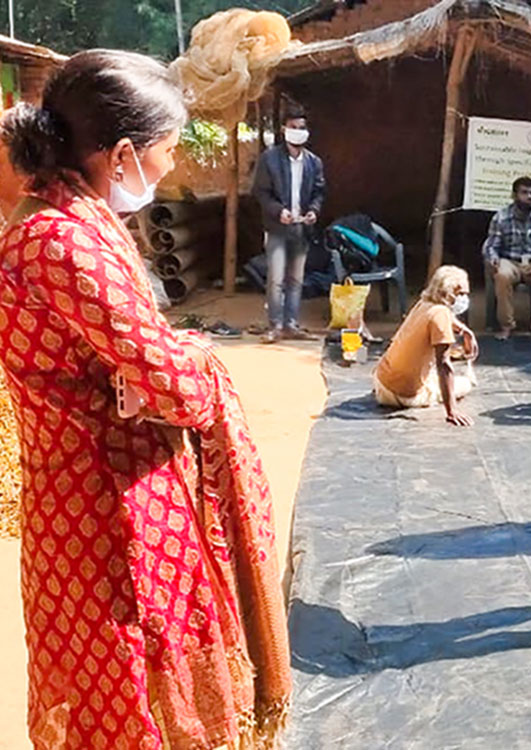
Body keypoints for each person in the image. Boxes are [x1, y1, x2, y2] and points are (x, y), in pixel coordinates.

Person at [0, 50, 288, 748]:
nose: (167, 169)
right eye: (165, 152)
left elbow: (135, 365)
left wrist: (158, 367)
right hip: (108, 517)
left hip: (95, 501)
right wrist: (194, 360)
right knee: (129, 696)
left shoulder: (71, 220)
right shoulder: (64, 244)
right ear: (122, 153)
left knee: (129, 691)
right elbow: (178, 388)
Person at [252, 108, 325, 343]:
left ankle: (291, 325)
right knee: (275, 279)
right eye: (293, 127)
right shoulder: (269, 159)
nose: (298, 132)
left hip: (301, 229)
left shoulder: (314, 163)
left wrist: (313, 211)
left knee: (296, 280)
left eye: (301, 128)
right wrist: (278, 211)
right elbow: (261, 192)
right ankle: (274, 325)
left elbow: (318, 192)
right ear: (284, 130)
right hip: (277, 228)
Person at [373, 265, 477, 426]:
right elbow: (443, 364)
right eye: (461, 293)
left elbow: (446, 315)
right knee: (465, 383)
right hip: (405, 395)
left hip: (381, 381)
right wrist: (452, 411)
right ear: (449, 293)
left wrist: (463, 330)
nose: (464, 298)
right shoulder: (440, 315)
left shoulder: (423, 304)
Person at [483, 175, 531, 339]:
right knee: (502, 275)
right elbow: (491, 246)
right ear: (514, 195)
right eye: (524, 193)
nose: (529, 197)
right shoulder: (501, 217)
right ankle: (507, 325)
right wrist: (493, 258)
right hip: (511, 262)